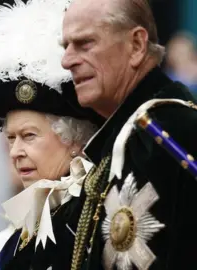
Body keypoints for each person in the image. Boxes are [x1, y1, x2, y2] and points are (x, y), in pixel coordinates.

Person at [0, 0, 103, 269]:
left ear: (74, 140)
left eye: (29, 136)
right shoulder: (23, 227)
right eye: (11, 138)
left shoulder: (89, 220)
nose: (15, 151)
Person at [60, 0, 197, 269]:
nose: (67, 61)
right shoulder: (126, 136)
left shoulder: (169, 133)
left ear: (136, 45)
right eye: (65, 47)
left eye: (85, 43)